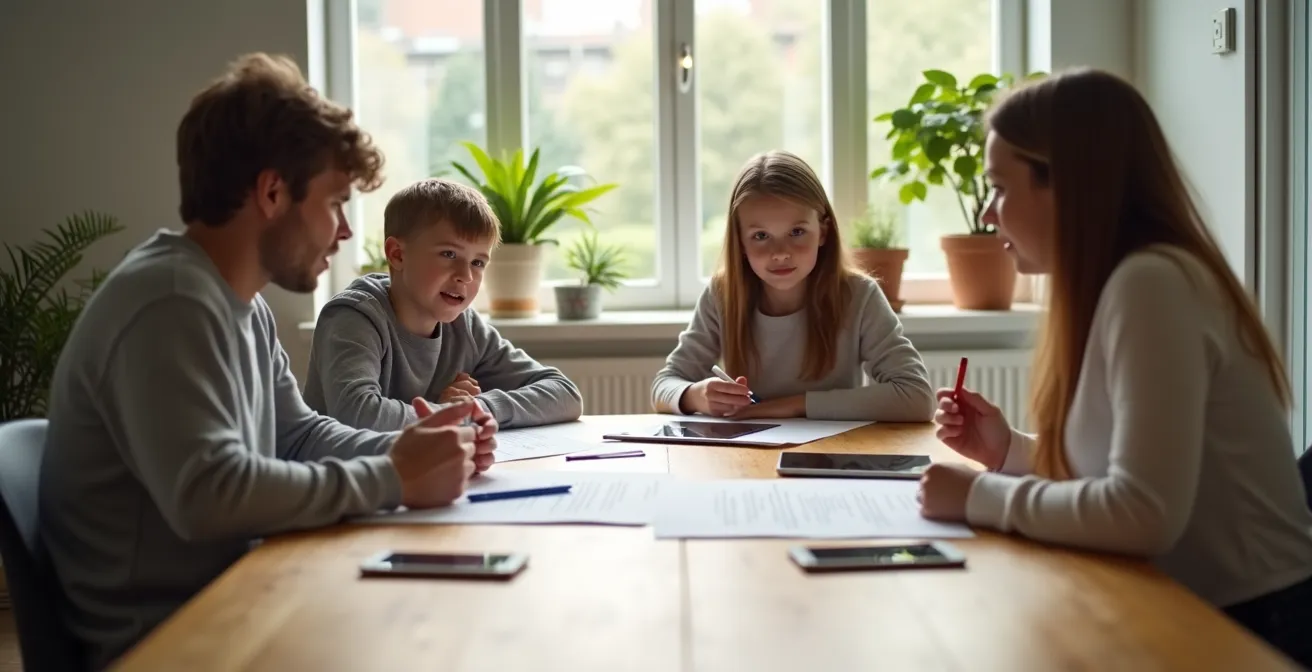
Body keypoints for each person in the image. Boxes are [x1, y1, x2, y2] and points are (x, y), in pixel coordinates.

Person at [38, 53, 497, 670]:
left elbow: (297, 433)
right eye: (335, 203)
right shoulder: (170, 301)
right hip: (167, 640)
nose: (341, 232)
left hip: (231, 598)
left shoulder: (237, 303)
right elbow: (209, 494)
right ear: (273, 192)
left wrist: (418, 444)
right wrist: (396, 478)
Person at [920, 68, 1312, 667]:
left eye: (1000, 188)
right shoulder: (1121, 283)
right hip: (1192, 604)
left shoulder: (1153, 284)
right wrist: (1008, 450)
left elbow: (1143, 514)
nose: (991, 215)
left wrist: (982, 494)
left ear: (1067, 186)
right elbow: (1118, 473)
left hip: (1253, 626)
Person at [651, 150, 935, 421]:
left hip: (832, 456)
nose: (781, 252)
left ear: (823, 231)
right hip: (745, 457)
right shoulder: (722, 294)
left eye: (797, 232)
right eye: (761, 235)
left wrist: (792, 406)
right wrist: (694, 395)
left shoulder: (859, 295)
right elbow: (664, 385)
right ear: (740, 241)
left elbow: (917, 396)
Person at [303, 178, 583, 432]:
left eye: (478, 262)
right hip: (343, 481)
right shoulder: (353, 317)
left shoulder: (466, 326)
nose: (466, 275)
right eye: (449, 254)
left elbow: (565, 395)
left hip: (419, 477)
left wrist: (474, 409)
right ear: (398, 255)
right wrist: (447, 414)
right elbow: (358, 414)